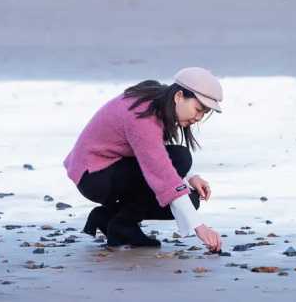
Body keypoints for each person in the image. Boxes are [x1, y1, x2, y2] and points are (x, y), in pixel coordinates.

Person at [63, 67, 223, 252]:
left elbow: (155, 155)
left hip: (112, 169)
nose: (198, 117)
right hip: (94, 175)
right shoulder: (144, 115)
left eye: (204, 113)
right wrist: (199, 227)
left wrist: (191, 177)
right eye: (198, 109)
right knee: (180, 158)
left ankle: (107, 217)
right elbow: (160, 170)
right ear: (179, 96)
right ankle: (123, 224)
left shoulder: (158, 102)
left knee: (191, 200)